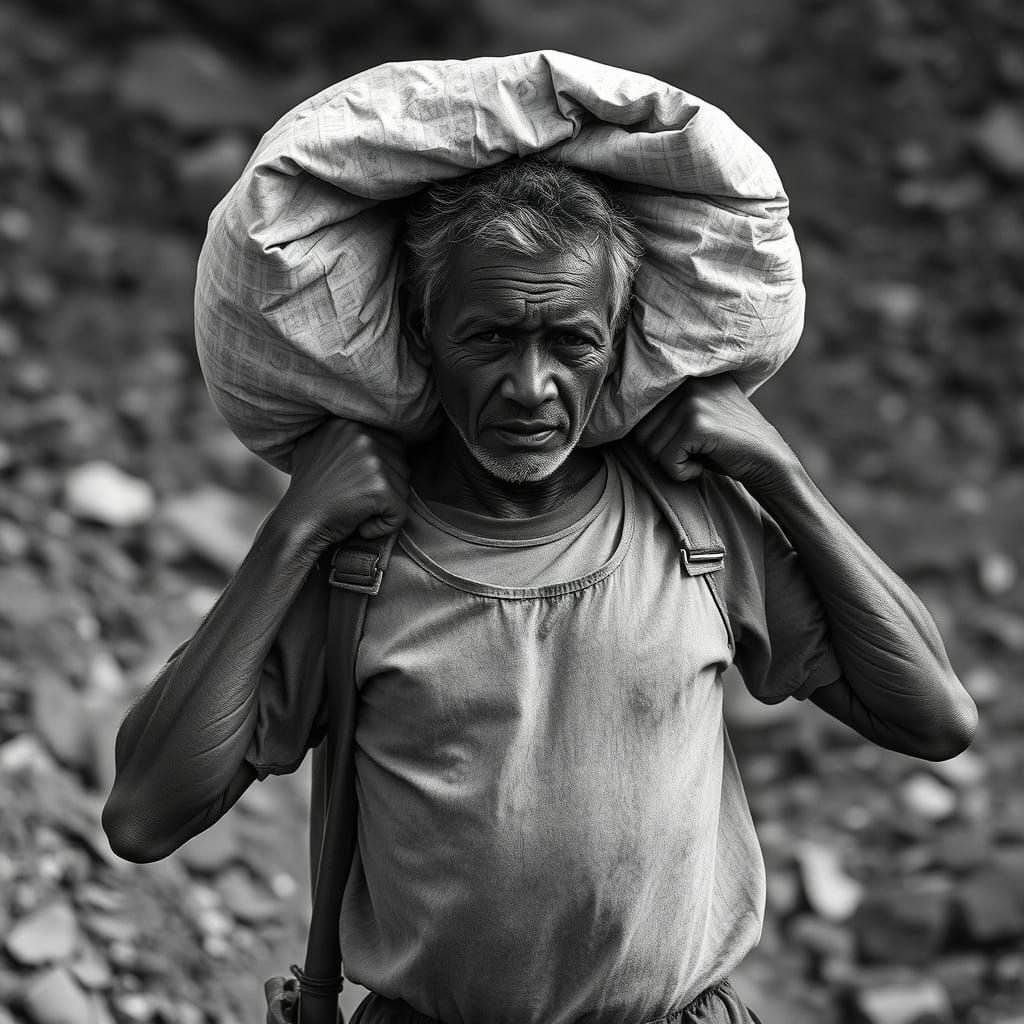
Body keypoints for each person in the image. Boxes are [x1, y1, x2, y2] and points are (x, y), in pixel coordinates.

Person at [103, 158, 978, 1024]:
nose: (531, 388)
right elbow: (145, 817)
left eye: (571, 341)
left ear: (618, 341)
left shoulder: (695, 523)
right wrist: (292, 533)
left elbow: (933, 717)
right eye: (489, 338)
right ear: (422, 332)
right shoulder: (357, 560)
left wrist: (779, 474)